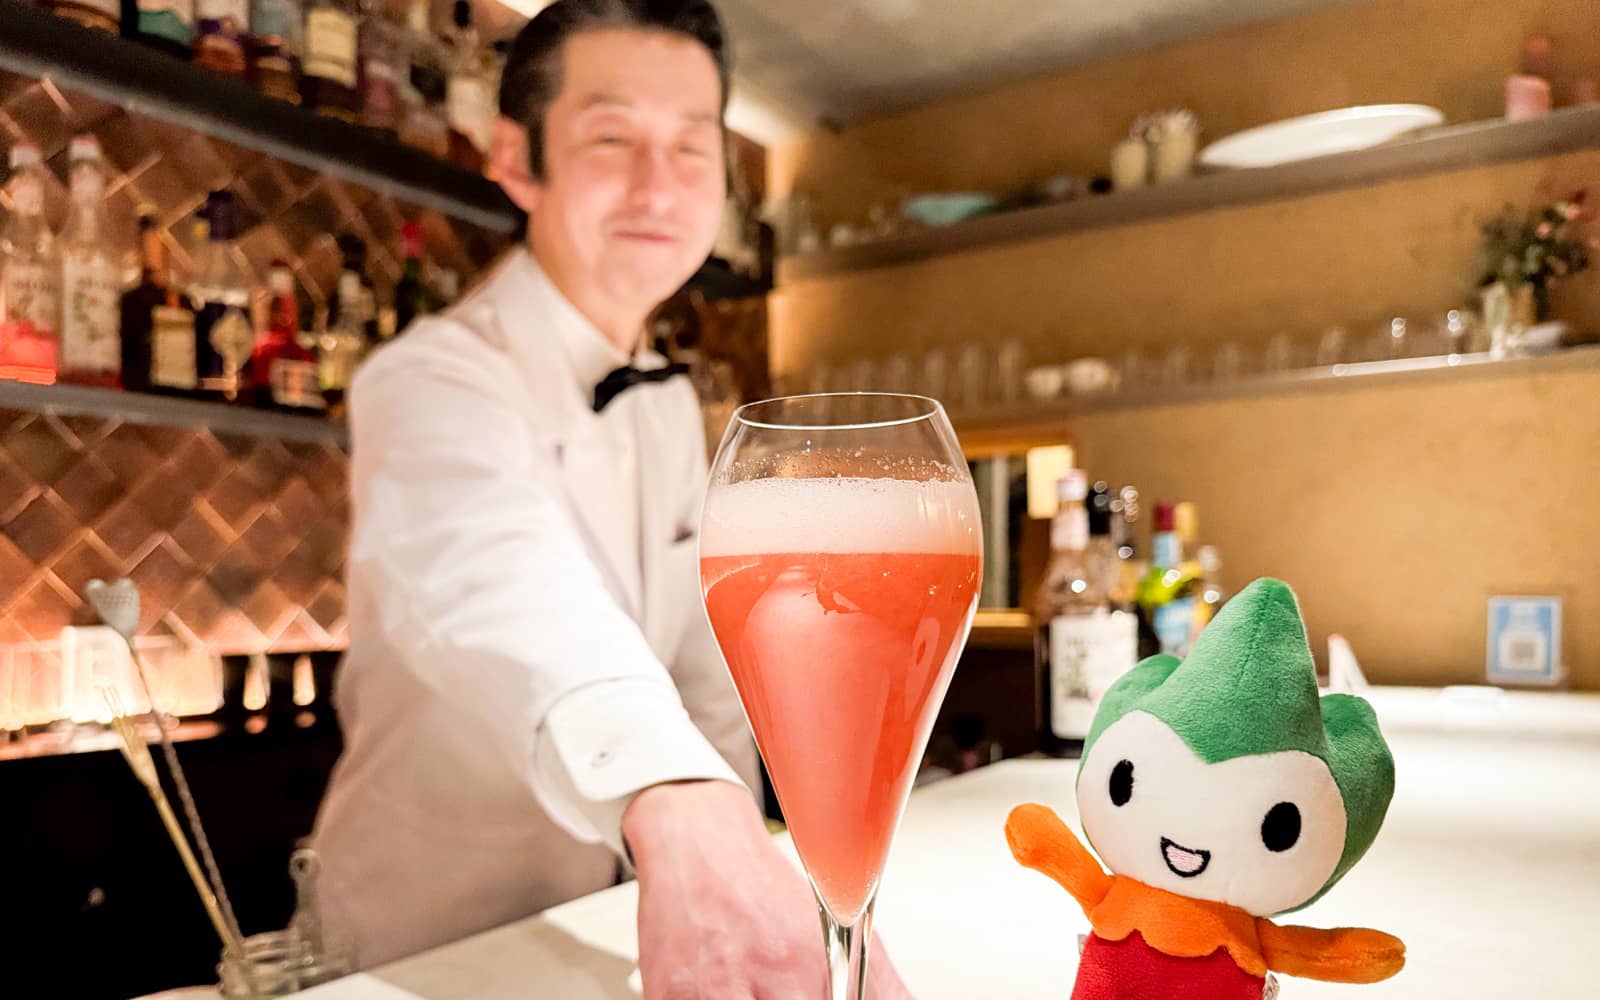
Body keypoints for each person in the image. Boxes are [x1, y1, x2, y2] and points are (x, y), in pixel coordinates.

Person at [310, 1, 913, 996]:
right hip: (425, 947)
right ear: (516, 160)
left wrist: (747, 859)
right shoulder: (427, 379)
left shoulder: (672, 407)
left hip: (627, 929)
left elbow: (707, 673)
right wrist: (683, 807)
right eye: (610, 138)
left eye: (691, 147)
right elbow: (496, 581)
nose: (658, 186)